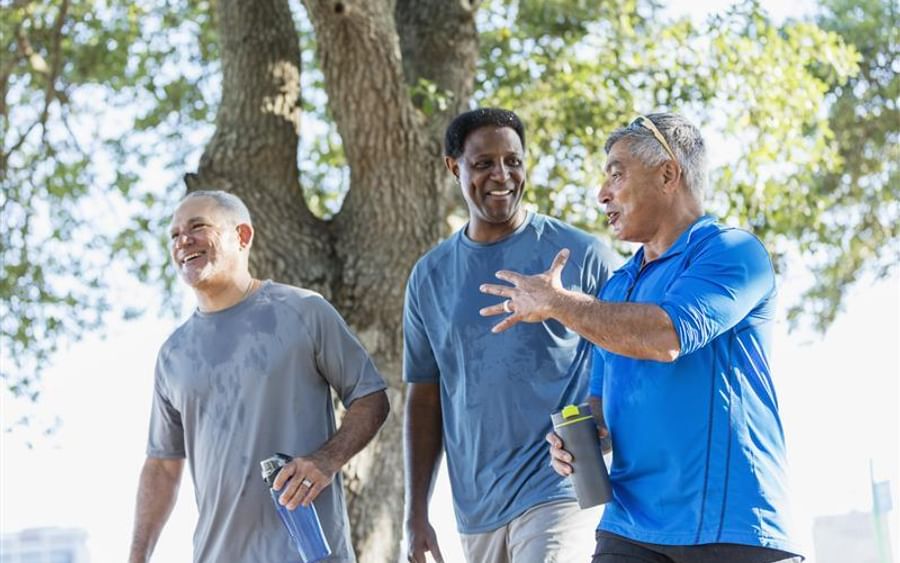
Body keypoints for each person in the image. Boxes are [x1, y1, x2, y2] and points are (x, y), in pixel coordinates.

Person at [479, 113, 803, 562]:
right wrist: (583, 437)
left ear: (668, 173)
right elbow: (603, 407)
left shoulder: (732, 252)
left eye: (616, 173)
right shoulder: (616, 287)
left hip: (731, 527)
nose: (602, 194)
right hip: (629, 527)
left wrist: (559, 303)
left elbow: (667, 335)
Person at [403, 108, 617, 563]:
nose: (501, 175)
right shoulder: (429, 277)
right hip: (476, 507)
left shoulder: (581, 254)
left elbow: (631, 352)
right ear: (453, 167)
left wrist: (608, 430)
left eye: (513, 162)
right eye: (483, 164)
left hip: (563, 485)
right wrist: (416, 512)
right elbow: (425, 397)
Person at [128, 190, 390, 563]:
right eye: (175, 235)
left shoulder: (304, 311)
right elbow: (162, 465)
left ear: (243, 236)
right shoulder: (173, 354)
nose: (183, 240)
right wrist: (136, 557)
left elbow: (371, 397)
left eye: (198, 227)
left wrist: (326, 460)